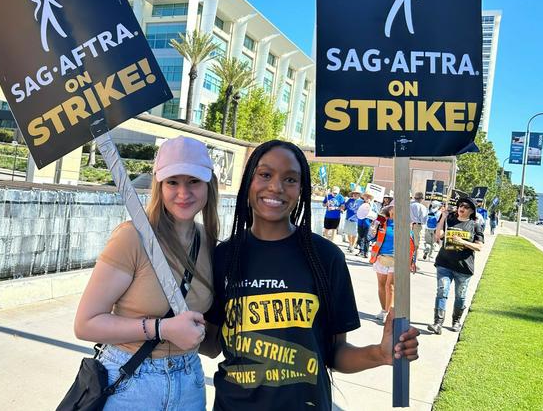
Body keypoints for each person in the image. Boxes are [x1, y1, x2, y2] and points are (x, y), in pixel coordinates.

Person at [202, 140, 419, 410]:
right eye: (265, 174)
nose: (276, 187)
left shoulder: (325, 257)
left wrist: (379, 354)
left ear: (301, 190)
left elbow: (334, 354)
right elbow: (210, 344)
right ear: (248, 181)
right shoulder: (224, 256)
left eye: (290, 179)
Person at [73, 136, 219, 410]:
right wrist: (162, 328)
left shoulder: (209, 242)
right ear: (159, 185)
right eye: (172, 182)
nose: (183, 193)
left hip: (190, 382)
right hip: (131, 381)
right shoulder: (133, 238)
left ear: (209, 184)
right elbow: (85, 324)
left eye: (194, 182)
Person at [428, 197, 484, 335]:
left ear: (471, 211)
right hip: (444, 263)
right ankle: (437, 323)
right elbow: (438, 235)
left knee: (460, 296)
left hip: (463, 267)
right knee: (442, 291)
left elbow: (479, 247)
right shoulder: (450, 221)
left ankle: (456, 321)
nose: (462, 208)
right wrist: (443, 218)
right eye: (460, 205)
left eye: (466, 206)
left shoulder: (475, 225)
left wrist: (462, 242)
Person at [368, 202, 417, 324]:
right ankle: (384, 310)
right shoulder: (381, 222)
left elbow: (411, 244)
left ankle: (388, 312)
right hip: (381, 258)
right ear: (389, 209)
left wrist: (412, 262)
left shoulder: (405, 225)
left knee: (390, 286)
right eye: (394, 207)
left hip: (398, 260)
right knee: (381, 285)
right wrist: (372, 230)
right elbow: (370, 237)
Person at [356, 190, 376, 259]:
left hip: (368, 223)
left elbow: (375, 214)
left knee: (366, 238)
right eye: (366, 196)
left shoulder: (373, 205)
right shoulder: (360, 203)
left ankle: (365, 252)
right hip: (360, 222)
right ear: (363, 197)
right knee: (360, 237)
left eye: (369, 196)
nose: (367, 198)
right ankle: (360, 250)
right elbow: (357, 210)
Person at [409, 192, 428, 261]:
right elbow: (424, 219)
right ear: (421, 199)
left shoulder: (410, 205)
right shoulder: (423, 207)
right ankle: (412, 261)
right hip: (417, 225)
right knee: (415, 245)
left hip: (408, 224)